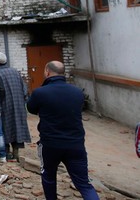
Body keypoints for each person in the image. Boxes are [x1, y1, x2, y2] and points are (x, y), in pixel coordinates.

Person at [27, 61, 99, 200]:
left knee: (48, 177)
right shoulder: (77, 92)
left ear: (47, 72)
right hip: (75, 144)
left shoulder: (40, 92)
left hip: (50, 144)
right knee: (84, 184)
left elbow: (31, 109)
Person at [0, 52, 31, 161]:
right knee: (17, 126)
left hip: (4, 104)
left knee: (3, 126)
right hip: (18, 104)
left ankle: (5, 151)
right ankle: (16, 152)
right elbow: (24, 89)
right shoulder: (14, 71)